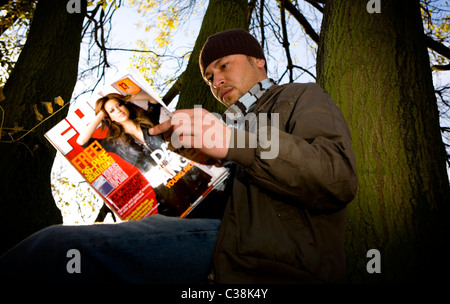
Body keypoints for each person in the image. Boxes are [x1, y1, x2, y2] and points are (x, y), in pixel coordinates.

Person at [0, 29, 357, 283]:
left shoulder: (297, 97)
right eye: (208, 76)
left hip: (265, 257)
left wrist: (234, 142)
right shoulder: (210, 125)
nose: (216, 80)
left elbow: (336, 176)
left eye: (223, 65)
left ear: (258, 61)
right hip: (204, 243)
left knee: (50, 251)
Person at [77, 92, 213, 216]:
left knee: (215, 205)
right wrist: (100, 114)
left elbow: (153, 100)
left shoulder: (147, 119)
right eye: (112, 111)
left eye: (119, 105)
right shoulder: (114, 143)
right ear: (109, 117)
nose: (118, 110)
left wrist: (128, 97)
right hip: (165, 189)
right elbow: (82, 141)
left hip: (187, 173)